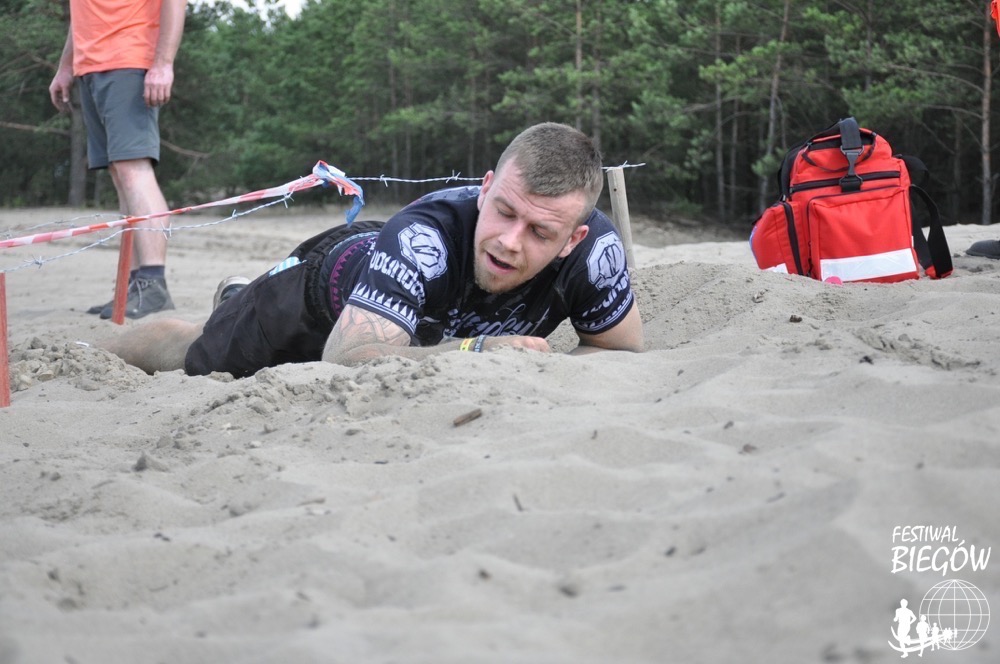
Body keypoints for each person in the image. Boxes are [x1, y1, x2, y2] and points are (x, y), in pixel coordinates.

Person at [100, 122, 644, 375]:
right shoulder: (422, 237)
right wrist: (479, 352)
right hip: (317, 298)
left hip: (406, 324)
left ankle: (235, 296)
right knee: (195, 354)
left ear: (573, 238)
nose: (509, 240)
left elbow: (617, 348)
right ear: (485, 188)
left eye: (540, 233)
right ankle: (98, 348)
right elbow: (348, 357)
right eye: (504, 211)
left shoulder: (595, 253)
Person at [49, 0, 187, 319]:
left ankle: (153, 283)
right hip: (89, 67)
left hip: (129, 57)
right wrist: (66, 66)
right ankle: (135, 285)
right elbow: (82, 13)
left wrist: (163, 64)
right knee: (119, 172)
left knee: (133, 168)